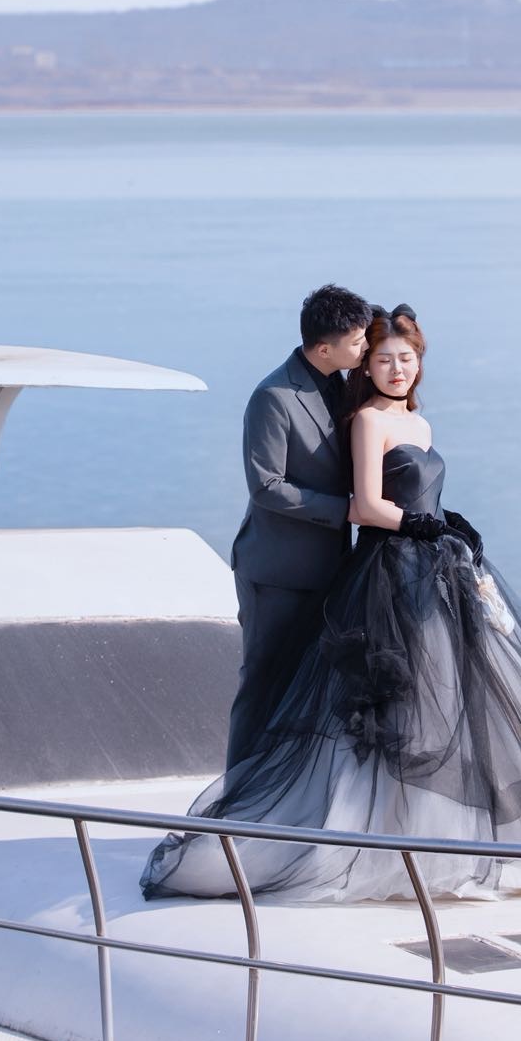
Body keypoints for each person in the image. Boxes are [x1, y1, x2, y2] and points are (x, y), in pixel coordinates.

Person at [143, 304, 521, 903]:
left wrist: (446, 521)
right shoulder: (324, 409)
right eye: (378, 356)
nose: (391, 366)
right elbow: (340, 499)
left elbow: (416, 489)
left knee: (441, 699)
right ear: (346, 354)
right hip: (363, 568)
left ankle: (429, 835)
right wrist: (414, 523)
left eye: (404, 358)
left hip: (424, 570)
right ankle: (253, 811)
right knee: (315, 693)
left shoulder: (409, 419)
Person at [224, 284, 372, 771]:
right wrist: (345, 510)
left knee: (310, 689)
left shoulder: (342, 383)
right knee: (263, 684)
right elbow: (266, 487)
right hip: (276, 573)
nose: (365, 348)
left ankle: (286, 789)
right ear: (324, 348)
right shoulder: (273, 396)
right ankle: (237, 794)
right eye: (358, 342)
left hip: (330, 569)